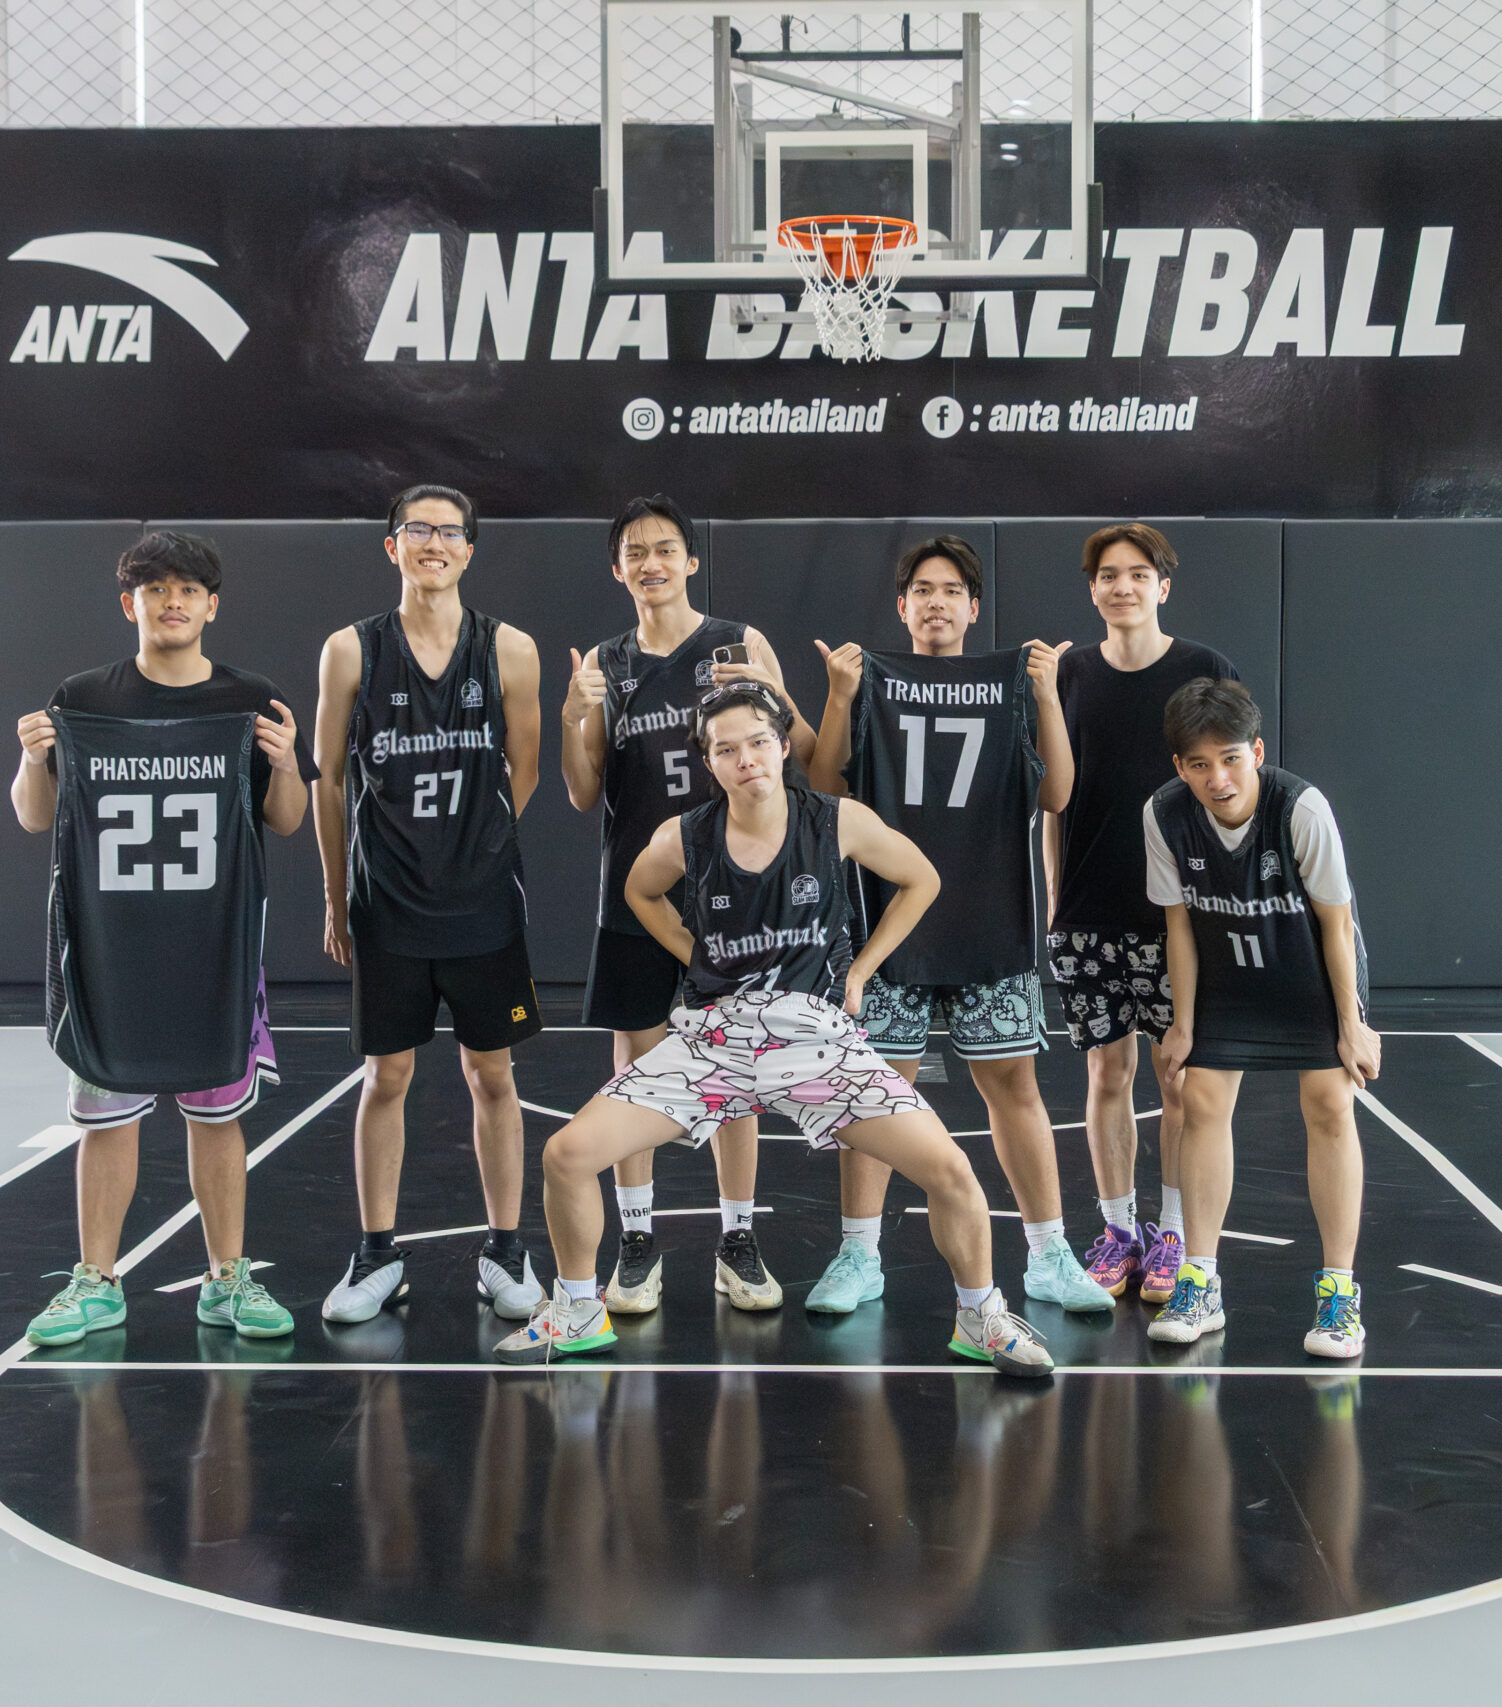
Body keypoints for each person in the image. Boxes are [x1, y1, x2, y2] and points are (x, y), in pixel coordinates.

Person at [493, 681, 1055, 1379]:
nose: (747, 759)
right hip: (716, 1039)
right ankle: (579, 1309)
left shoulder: (836, 821)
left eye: (758, 742)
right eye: (727, 749)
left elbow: (922, 879)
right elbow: (638, 889)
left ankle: (980, 1316)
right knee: (567, 1155)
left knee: (952, 1172)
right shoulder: (685, 835)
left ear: (782, 746)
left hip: (817, 1039)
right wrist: (691, 951)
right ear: (709, 762)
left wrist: (861, 972)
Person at [10, 529, 316, 1347]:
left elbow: (287, 820)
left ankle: (227, 1275)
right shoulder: (83, 699)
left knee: (217, 1115)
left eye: (187, 589)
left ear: (212, 605)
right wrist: (32, 761)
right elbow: (36, 816)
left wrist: (288, 765)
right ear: (130, 604)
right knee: (105, 1120)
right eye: (155, 589)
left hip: (213, 949)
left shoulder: (250, 698)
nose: (171, 601)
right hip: (108, 951)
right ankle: (96, 1279)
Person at [804, 536, 1115, 1315]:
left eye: (951, 590)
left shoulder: (1014, 685)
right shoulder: (868, 681)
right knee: (874, 1091)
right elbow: (822, 792)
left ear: (974, 609)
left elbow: (1057, 795)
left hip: (989, 916)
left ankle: (1049, 1253)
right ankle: (858, 1253)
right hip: (887, 926)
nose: (936, 601)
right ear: (902, 605)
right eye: (923, 589)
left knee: (1015, 1088)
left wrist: (1048, 696)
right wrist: (838, 697)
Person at [560, 495, 815, 1315]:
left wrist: (774, 690)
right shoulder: (608, 663)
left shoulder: (737, 643)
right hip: (639, 889)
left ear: (691, 560)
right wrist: (572, 718)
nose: (651, 563)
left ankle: (737, 1238)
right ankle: (636, 1241)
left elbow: (804, 756)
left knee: (733, 1065)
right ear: (617, 568)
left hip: (733, 888)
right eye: (635, 551)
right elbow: (582, 791)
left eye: (665, 548)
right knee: (636, 1067)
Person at [311, 483, 547, 1324]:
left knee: (494, 1074)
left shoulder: (510, 648)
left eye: (450, 532)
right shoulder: (351, 650)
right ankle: (378, 1254)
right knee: (387, 1075)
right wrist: (338, 894)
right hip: (389, 906)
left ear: (469, 550)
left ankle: (505, 1249)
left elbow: (525, 767)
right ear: (393, 546)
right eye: (418, 529)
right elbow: (328, 783)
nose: (434, 543)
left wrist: (474, 845)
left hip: (482, 906)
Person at [1143, 678, 1378, 1359]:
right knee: (1200, 1099)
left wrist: (1350, 1023)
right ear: (1179, 766)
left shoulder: (1301, 809)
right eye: (1199, 764)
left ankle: (1340, 1296)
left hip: (1309, 970)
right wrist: (1182, 1023)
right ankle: (1201, 1282)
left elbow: (1337, 925)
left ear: (1257, 751)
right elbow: (1179, 925)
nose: (1217, 778)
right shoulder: (1163, 814)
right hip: (1228, 971)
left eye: (1230, 759)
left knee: (1329, 1103)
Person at [1043, 524, 1241, 1305]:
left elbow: (1231, 787)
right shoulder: (1069, 674)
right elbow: (1054, 799)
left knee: (1180, 1075)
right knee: (1107, 1071)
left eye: (1137, 573)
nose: (1122, 586)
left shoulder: (1204, 669)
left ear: (1163, 585)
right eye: (1108, 574)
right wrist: (1055, 898)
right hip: (1090, 911)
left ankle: (1175, 1234)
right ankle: (1118, 1229)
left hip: (1180, 916)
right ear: (1092, 588)